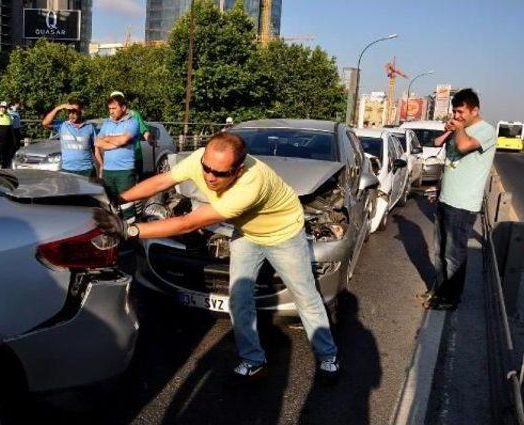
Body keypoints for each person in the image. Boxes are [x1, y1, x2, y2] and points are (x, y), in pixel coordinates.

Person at [92, 131, 340, 384]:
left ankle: (328, 356)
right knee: (239, 299)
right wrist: (117, 199)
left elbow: (188, 223)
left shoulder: (250, 186)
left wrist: (129, 230)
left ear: (239, 170)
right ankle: (254, 362)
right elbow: (161, 182)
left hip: (284, 234)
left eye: (220, 173)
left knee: (305, 296)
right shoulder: (203, 159)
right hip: (247, 233)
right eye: (207, 169)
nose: (210, 177)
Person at [420, 88, 496, 310]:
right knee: (440, 251)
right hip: (446, 199)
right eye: (454, 111)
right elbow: (437, 144)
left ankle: (451, 299)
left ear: (475, 110)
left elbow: (463, 147)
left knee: (454, 255)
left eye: (461, 111)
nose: (457, 116)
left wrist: (459, 129)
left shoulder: (486, 131)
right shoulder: (459, 129)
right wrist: (449, 130)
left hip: (463, 205)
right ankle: (440, 291)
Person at [95, 94, 140, 221]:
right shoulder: (107, 123)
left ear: (124, 108)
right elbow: (97, 142)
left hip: (124, 171)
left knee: (127, 203)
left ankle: (131, 233)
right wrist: (115, 143)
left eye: (114, 108)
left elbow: (124, 139)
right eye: (110, 108)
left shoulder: (132, 122)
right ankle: (116, 231)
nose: (111, 111)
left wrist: (108, 139)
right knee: (111, 204)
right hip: (108, 171)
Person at [42, 97, 99, 177]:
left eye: (75, 112)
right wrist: (58, 108)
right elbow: (45, 123)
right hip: (67, 170)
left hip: (87, 170)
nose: (72, 114)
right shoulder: (62, 125)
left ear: (81, 111)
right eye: (70, 111)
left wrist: (100, 168)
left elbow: (96, 150)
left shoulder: (89, 127)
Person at [109, 91, 156, 177]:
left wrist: (150, 139)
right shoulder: (111, 118)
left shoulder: (135, 115)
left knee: (135, 185)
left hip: (135, 157)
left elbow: (144, 130)